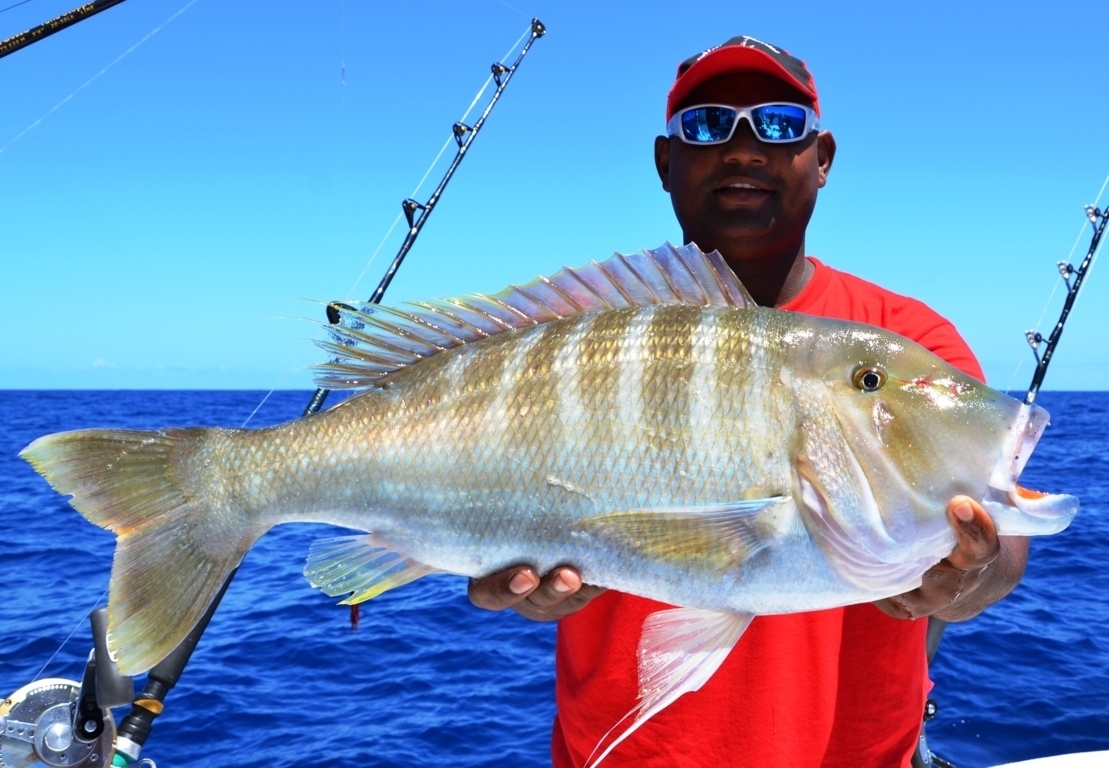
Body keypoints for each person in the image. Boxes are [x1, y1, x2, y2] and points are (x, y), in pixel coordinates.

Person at [469, 35, 1030, 767]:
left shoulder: (902, 340)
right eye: (705, 125)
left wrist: (968, 573)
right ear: (665, 163)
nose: (742, 149)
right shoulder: (577, 337)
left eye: (777, 124)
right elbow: (491, 558)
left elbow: (1003, 540)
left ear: (821, 158)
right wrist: (485, 563)